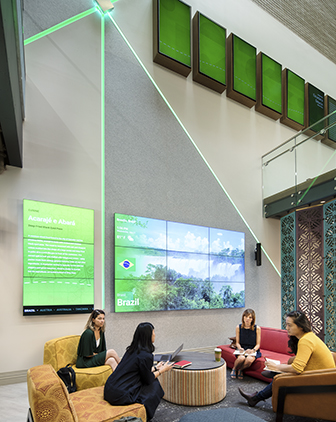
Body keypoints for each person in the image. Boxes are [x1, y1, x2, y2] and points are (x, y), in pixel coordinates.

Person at [238, 310, 336, 407]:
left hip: (322, 381)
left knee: (280, 378)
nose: (286, 328)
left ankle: (267, 383)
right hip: (323, 376)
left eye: (290, 325)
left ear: (300, 326)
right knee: (283, 371)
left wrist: (277, 367)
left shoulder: (305, 340)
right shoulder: (309, 336)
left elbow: (297, 368)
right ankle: (271, 376)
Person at [104, 322, 174, 420]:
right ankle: (144, 415)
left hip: (109, 390)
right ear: (148, 336)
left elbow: (138, 371)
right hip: (120, 395)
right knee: (154, 385)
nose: (155, 335)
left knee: (150, 381)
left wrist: (156, 368)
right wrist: (162, 370)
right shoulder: (146, 356)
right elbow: (148, 379)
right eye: (153, 332)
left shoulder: (131, 350)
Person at [231, 308, 261, 380]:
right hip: (242, 348)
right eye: (245, 316)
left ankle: (241, 369)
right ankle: (234, 369)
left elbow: (258, 344)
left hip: (252, 349)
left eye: (250, 317)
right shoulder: (238, 327)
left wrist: (253, 350)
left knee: (249, 360)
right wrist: (240, 348)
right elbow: (237, 342)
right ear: (243, 317)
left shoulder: (257, 328)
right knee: (241, 358)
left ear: (253, 319)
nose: (247, 319)